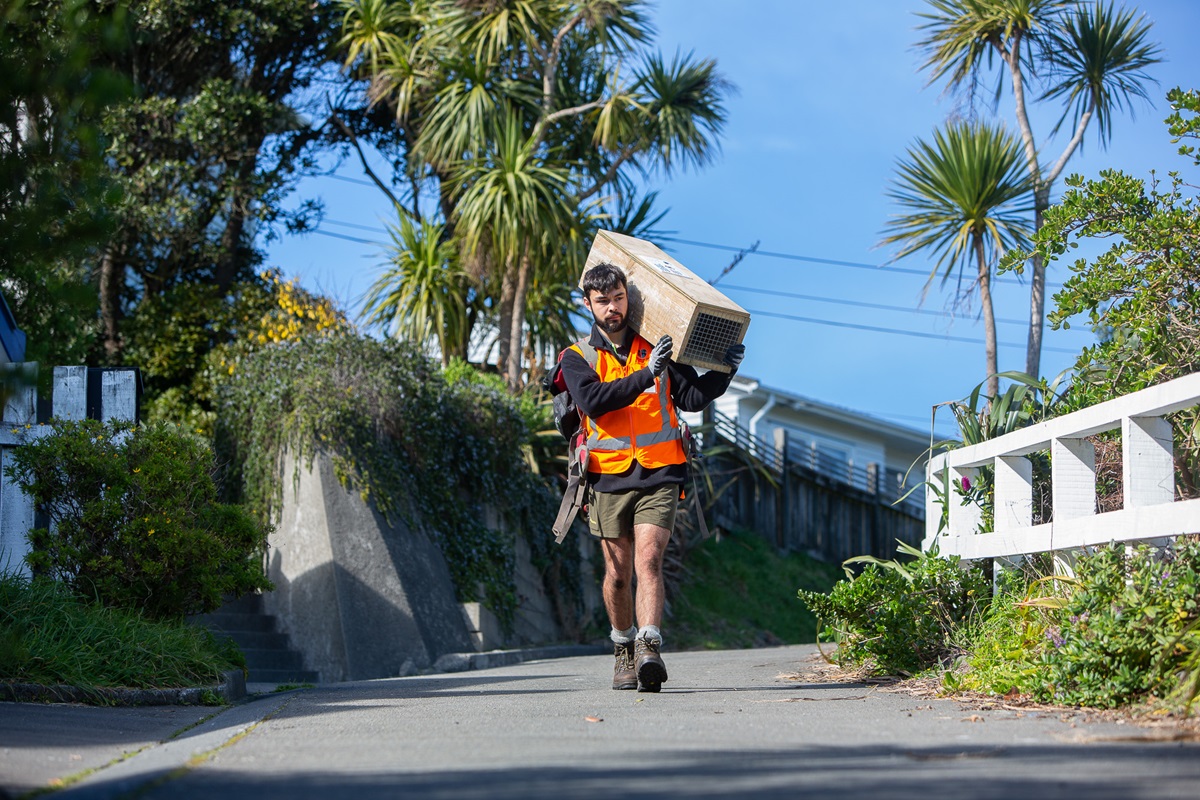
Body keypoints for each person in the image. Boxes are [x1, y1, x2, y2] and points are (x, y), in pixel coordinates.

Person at [559, 262, 745, 692]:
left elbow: (693, 398)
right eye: (603, 301)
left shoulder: (655, 346)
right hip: (606, 478)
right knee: (619, 574)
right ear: (588, 304)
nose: (613, 308)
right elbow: (594, 401)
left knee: (649, 560)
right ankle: (623, 646)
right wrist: (648, 375)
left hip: (661, 471)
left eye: (619, 298)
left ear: (629, 298)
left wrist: (724, 371)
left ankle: (649, 647)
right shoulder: (577, 357)